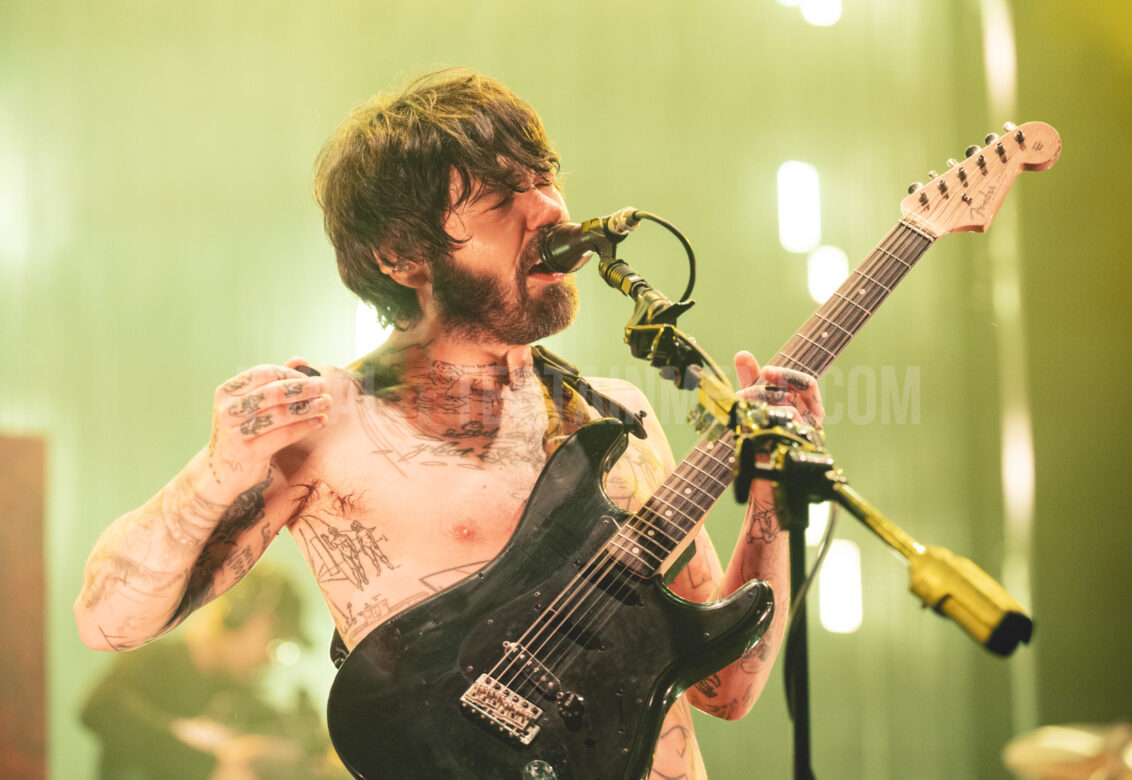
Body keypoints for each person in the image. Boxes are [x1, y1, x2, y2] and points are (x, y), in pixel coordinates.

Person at [74, 68, 825, 779]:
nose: (550, 209)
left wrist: (770, 485)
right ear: (402, 254)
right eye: (502, 198)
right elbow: (108, 622)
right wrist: (217, 471)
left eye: (544, 178)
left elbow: (726, 689)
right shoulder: (327, 420)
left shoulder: (617, 414)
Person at [80, 565, 346, 780]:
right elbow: (99, 709)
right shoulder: (153, 660)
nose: (268, 659)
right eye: (273, 640)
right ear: (238, 614)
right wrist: (208, 765)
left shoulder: (239, 692)